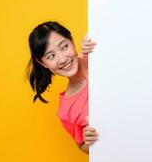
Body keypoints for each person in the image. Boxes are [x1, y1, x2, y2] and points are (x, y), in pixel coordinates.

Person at [26, 21, 99, 154]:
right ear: (43, 63)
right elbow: (82, 147)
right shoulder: (66, 111)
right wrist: (89, 141)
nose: (62, 59)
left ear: (72, 41)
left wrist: (95, 36)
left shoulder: (97, 56)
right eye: (51, 56)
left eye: (64, 46)